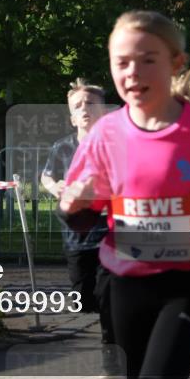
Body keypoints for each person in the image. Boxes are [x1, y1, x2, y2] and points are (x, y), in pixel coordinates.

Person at [59, 10, 190, 379]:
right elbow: (85, 222)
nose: (133, 72)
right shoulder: (105, 133)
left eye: (147, 60)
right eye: (122, 62)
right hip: (123, 282)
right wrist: (73, 207)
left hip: (186, 281)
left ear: (176, 63)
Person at [40, 80, 116, 358]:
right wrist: (55, 187)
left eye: (90, 103)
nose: (85, 109)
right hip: (78, 232)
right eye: (78, 106)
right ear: (72, 117)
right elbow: (46, 175)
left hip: (112, 230)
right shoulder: (63, 147)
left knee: (109, 291)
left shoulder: (117, 145)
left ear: (104, 111)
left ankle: (112, 342)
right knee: (84, 297)